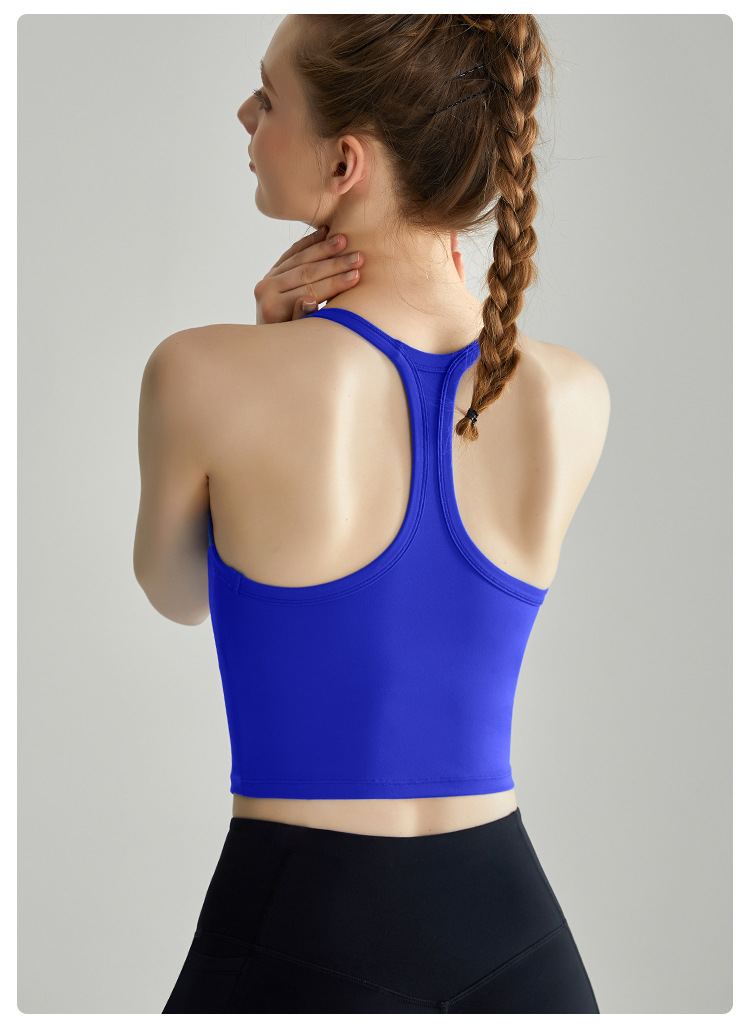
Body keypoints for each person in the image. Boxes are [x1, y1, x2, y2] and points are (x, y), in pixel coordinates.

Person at [134, 13, 610, 1014]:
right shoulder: (573, 394)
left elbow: (180, 593)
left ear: (345, 162)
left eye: (269, 98)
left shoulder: (201, 373)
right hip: (517, 939)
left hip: (296, 927)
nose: (246, 115)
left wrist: (265, 346)